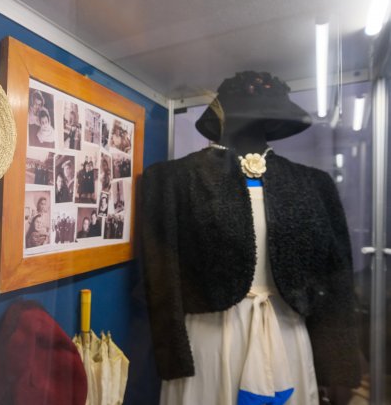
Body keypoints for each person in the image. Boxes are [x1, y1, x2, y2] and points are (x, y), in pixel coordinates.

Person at [142, 71, 359, 405]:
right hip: (208, 343)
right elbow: (161, 278)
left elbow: (336, 279)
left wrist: (337, 367)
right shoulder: (172, 179)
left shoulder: (314, 184)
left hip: (288, 337)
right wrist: (171, 356)